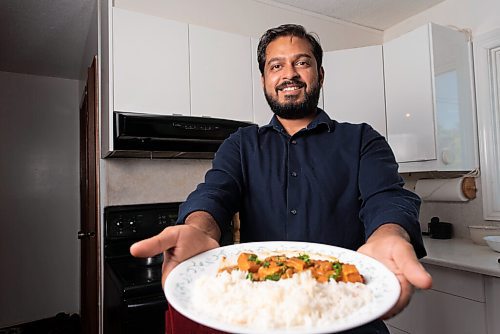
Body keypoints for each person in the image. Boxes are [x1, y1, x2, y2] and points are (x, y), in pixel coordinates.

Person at [131, 24, 433, 333]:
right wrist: (197, 227)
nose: (289, 74)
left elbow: (386, 197)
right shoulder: (240, 143)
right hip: (260, 316)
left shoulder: (362, 139)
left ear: (321, 74)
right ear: (264, 80)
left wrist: (389, 234)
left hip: (349, 312)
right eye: (276, 66)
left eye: (302, 62)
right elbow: (215, 193)